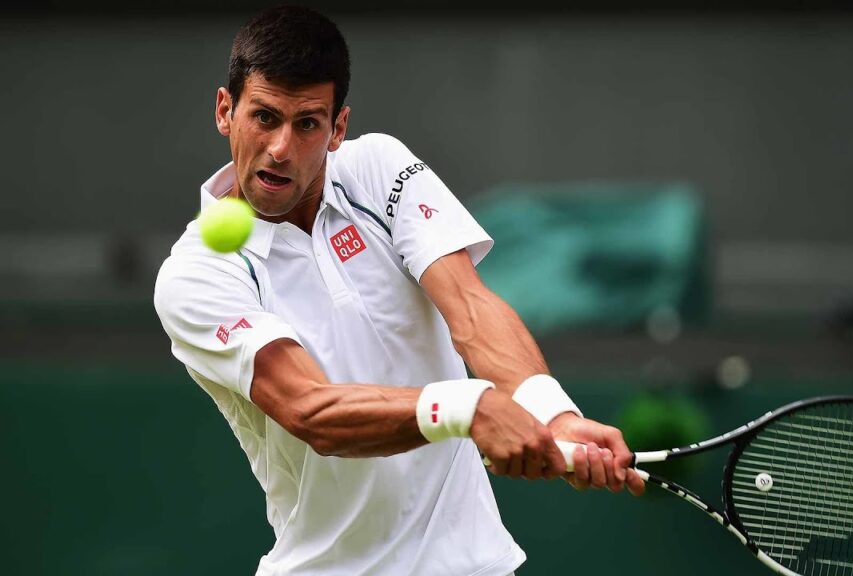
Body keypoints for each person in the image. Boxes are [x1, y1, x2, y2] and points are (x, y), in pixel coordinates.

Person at [154, 5, 644, 575]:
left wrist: (552, 413)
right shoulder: (196, 274)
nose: (281, 147)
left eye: (308, 123)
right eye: (264, 117)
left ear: (337, 128)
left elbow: (468, 306)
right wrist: (466, 406)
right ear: (225, 111)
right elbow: (311, 410)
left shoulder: (379, 168)